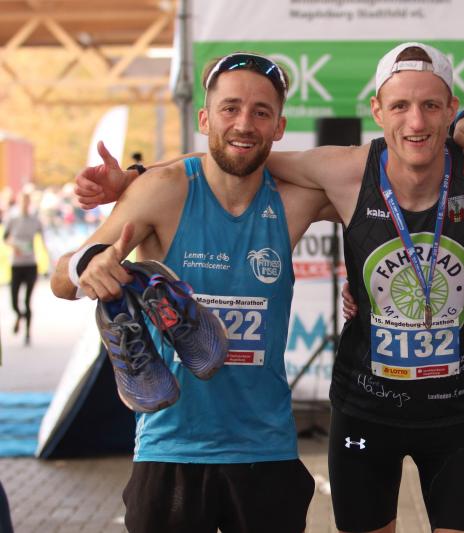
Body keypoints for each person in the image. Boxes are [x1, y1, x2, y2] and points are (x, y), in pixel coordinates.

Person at [74, 42, 464, 533]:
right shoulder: (343, 171)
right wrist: (137, 178)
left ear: (450, 108)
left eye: (431, 105)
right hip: (359, 412)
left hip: (451, 416)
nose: (415, 120)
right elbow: (235, 152)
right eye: (400, 106)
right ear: (378, 111)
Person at [51, 52, 330, 533]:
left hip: (266, 451)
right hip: (171, 449)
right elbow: (61, 279)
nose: (244, 123)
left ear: (279, 127)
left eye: (261, 112)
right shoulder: (162, 190)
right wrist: (88, 267)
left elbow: (378, 170)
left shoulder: (296, 199)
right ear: (205, 118)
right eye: (230, 108)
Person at [4, 190, 44, 346]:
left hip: (30, 264)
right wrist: (13, 245)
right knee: (14, 301)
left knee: (27, 301)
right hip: (16, 264)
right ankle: (19, 315)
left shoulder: (35, 220)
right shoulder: (13, 219)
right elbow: (5, 237)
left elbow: (43, 238)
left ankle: (27, 333)